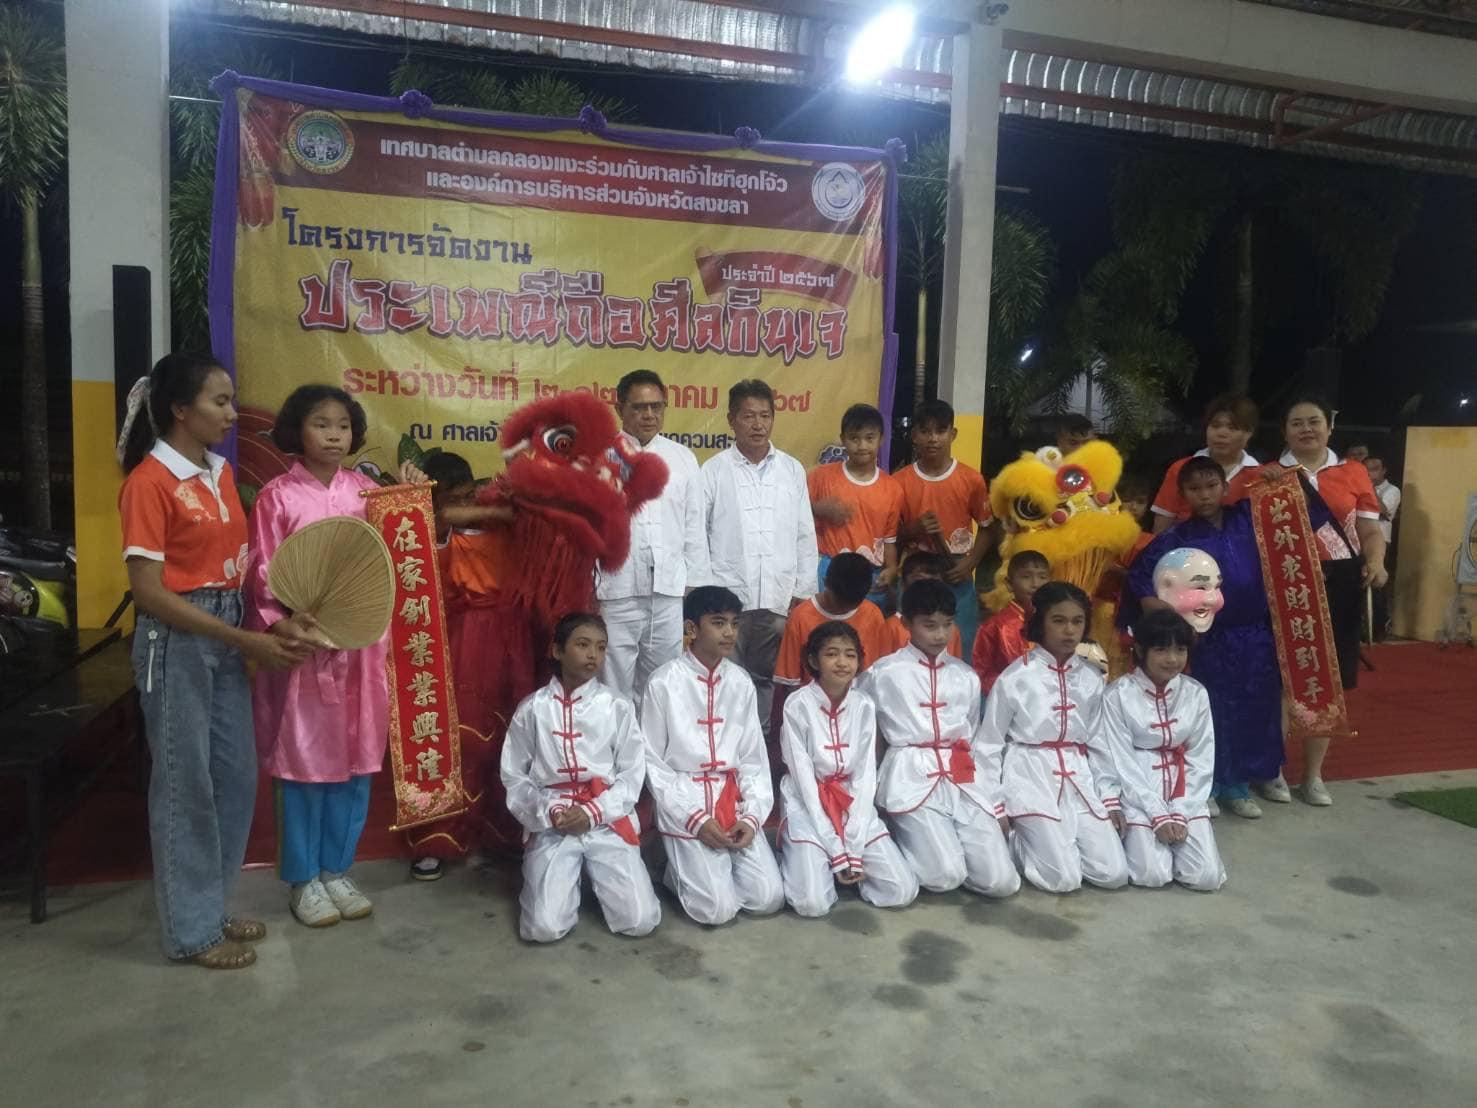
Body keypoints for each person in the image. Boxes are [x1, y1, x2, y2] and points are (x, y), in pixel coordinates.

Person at [118, 353, 314, 969]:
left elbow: (240, 571)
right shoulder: (149, 482)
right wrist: (245, 642)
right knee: (186, 787)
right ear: (181, 410)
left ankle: (209, 905)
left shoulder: (221, 473)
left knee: (233, 778)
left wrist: (271, 624)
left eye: (231, 400)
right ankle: (192, 932)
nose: (232, 414)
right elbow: (149, 593)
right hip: (177, 643)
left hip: (226, 634)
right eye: (220, 401)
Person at [244, 385, 390, 927]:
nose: (334, 435)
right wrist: (281, 624)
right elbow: (261, 573)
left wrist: (414, 502)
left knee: (357, 758)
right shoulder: (277, 498)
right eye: (321, 424)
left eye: (343, 426)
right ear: (297, 431)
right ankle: (303, 879)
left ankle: (337, 869)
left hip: (361, 649)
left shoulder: (369, 493)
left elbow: (393, 563)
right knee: (303, 761)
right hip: (304, 650)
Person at [499, 613, 661, 943]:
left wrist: (593, 812)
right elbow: (514, 777)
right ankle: (562, 880)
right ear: (557, 651)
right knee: (543, 929)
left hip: (606, 816)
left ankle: (599, 877)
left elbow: (632, 775)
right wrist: (549, 810)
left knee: (640, 921)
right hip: (553, 820)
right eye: (583, 645)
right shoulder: (533, 708)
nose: (593, 655)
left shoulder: (617, 706)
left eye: (601, 647)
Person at [405, 451, 520, 880]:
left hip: (512, 633)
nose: (466, 504)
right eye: (454, 498)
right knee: (461, 738)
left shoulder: (504, 520)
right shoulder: (436, 530)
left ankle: (502, 833)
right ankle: (438, 839)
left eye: (470, 494)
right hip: (465, 636)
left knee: (511, 734)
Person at [642, 586, 785, 925]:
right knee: (715, 911)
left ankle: (699, 867)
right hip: (684, 797)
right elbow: (652, 762)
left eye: (734, 623)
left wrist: (752, 817)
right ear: (691, 628)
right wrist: (693, 818)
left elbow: (752, 758)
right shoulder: (663, 683)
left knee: (768, 899)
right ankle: (675, 869)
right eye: (718, 623)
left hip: (731, 798)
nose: (729, 632)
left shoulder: (740, 682)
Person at [868, 580, 1020, 899]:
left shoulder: (965, 675)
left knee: (1001, 882)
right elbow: (867, 736)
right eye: (929, 625)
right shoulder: (883, 673)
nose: (940, 634)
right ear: (906, 623)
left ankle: (949, 847)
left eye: (947, 624)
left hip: (960, 775)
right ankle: (902, 834)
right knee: (945, 876)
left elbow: (973, 737)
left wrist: (993, 800)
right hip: (908, 776)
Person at [978, 581, 1129, 894]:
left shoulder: (1091, 678)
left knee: (1113, 874)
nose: (1069, 631)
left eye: (1077, 621)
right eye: (1058, 621)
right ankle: (1019, 842)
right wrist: (995, 803)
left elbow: (1099, 742)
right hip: (1030, 777)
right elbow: (989, 744)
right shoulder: (1016, 677)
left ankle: (1058, 845)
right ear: (1040, 623)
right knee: (1063, 879)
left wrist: (1109, 796)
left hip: (1078, 778)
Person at [1278, 397, 1387, 806]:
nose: (1306, 429)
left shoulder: (1353, 472)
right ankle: (1273, 770)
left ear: (1329, 427)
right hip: (1287, 583)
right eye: (1297, 423)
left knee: (1327, 681)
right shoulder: (1269, 475)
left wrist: (1376, 561)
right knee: (1283, 679)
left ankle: (1312, 775)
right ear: (1285, 431)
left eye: (1314, 422)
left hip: (1341, 583)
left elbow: (1370, 531)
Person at [702, 380, 819, 740]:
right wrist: (706, 592)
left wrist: (803, 590)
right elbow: (698, 534)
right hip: (728, 598)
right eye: (748, 416)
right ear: (731, 420)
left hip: (778, 597)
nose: (757, 425)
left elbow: (804, 532)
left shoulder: (791, 469)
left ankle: (761, 750)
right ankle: (725, 748)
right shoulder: (713, 470)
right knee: (724, 678)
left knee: (766, 680)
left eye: (764, 416)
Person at [776, 622, 919, 916]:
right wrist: (836, 849)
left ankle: (843, 869)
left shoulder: (864, 704)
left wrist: (851, 849)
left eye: (850, 655)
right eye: (831, 654)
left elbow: (865, 775)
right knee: (812, 904)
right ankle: (808, 860)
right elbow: (804, 779)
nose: (842, 662)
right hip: (808, 803)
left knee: (901, 890)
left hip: (853, 804)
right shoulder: (797, 704)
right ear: (814, 660)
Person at [598, 370, 710, 706]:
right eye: (639, 407)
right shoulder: (598, 457)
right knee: (613, 684)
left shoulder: (683, 458)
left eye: (656, 406)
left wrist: (695, 586)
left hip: (668, 592)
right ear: (620, 408)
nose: (649, 415)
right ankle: (617, 741)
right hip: (616, 590)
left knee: (662, 685)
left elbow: (694, 526)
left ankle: (655, 743)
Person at [1103, 610, 1226, 891]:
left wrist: (1181, 812)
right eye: (1161, 649)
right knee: (1152, 875)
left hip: (1185, 791)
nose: (1172, 659)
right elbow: (1121, 760)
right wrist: (1157, 814)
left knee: (1206, 877)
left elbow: (1201, 757)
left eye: (1180, 649)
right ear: (1140, 650)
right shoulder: (1117, 695)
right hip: (1138, 790)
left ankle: (1175, 835)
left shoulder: (1196, 693)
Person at [895, 399, 996, 659]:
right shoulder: (899, 481)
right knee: (907, 641)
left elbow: (988, 527)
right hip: (915, 571)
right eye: (925, 431)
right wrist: (912, 530)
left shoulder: (971, 479)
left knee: (960, 643)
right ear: (914, 435)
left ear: (953, 434)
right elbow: (890, 536)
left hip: (955, 570)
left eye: (940, 431)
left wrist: (970, 563)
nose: (933, 438)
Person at [808, 403, 904, 606]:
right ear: (843, 439)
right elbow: (792, 516)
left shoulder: (892, 488)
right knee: (829, 625)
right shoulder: (820, 477)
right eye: (854, 438)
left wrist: (891, 568)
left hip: (871, 577)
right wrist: (818, 509)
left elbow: (889, 539)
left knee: (867, 625)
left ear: (881, 439)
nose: (862, 446)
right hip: (829, 571)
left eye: (869, 438)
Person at [773, 552, 892, 694]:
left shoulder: (873, 615)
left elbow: (880, 672)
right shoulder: (800, 617)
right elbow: (789, 680)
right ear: (825, 583)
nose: (844, 608)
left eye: (853, 605)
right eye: (840, 602)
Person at [1151, 393, 1261, 533]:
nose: (1221, 433)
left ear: (1249, 433)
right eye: (1215, 426)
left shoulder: (1261, 476)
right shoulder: (1180, 468)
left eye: (1232, 428)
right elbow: (1161, 528)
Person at [972, 551, 1050, 698]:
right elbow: (981, 672)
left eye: (1042, 577)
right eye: (1026, 577)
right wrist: (1012, 690)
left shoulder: (1053, 623)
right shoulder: (994, 626)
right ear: (1009, 584)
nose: (1035, 584)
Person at [886, 552, 963, 657]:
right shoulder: (891, 627)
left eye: (933, 581)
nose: (926, 587)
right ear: (903, 584)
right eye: (919, 580)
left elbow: (955, 663)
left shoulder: (952, 629)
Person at [1366, 453, 1401, 640]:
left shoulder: (1392, 490)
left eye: (1374, 469)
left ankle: (1379, 629)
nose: (1370, 473)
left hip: (1381, 543)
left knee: (1377, 585)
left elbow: (1381, 509)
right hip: (1360, 541)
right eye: (1366, 470)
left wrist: (1368, 487)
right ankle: (1362, 629)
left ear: (1384, 470)